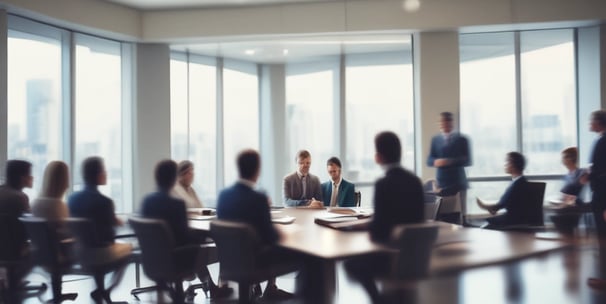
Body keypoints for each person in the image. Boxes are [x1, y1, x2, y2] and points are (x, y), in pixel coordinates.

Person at [344, 131, 424, 303]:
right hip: (415, 255)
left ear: (378, 157)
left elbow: (379, 230)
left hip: (391, 256)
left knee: (351, 263)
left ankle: (377, 299)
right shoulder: (415, 181)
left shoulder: (383, 184)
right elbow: (416, 219)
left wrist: (361, 227)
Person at [141, 159, 231, 299]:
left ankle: (210, 286)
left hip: (151, 259)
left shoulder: (147, 201)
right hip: (174, 258)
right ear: (174, 177)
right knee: (201, 248)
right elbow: (184, 236)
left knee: (196, 247)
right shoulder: (176, 204)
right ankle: (213, 286)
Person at [217, 149, 300, 301]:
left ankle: (270, 289)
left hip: (230, 262)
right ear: (257, 170)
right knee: (308, 256)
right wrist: (284, 233)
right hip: (255, 263)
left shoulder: (223, 195)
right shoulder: (258, 198)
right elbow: (271, 237)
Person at [67, 156, 131, 302]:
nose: (106, 174)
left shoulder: (72, 199)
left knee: (99, 246)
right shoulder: (105, 202)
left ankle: (100, 291)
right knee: (128, 249)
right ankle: (106, 290)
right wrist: (116, 223)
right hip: (98, 254)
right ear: (99, 174)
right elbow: (108, 237)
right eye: (104, 170)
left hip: (77, 252)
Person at [427, 111, 472, 223]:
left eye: (447, 122)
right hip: (442, 181)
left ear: (452, 123)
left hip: (458, 180)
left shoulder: (462, 139)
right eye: (442, 122)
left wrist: (449, 161)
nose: (444, 124)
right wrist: (436, 162)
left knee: (462, 215)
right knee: (442, 214)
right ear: (439, 124)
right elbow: (429, 160)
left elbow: (468, 160)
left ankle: (464, 222)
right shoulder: (435, 140)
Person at [0, 160, 34, 302]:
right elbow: (28, 230)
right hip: (13, 251)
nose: (32, 178)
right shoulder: (20, 198)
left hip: (3, 248)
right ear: (22, 178)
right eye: (30, 175)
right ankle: (15, 280)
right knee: (44, 249)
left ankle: (11, 279)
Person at [476, 152, 538, 229]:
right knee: (485, 222)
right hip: (516, 217)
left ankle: (492, 208)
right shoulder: (518, 182)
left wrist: (493, 207)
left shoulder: (518, 184)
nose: (505, 164)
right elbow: (507, 201)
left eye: (507, 161)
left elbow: (503, 202)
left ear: (514, 165)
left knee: (484, 226)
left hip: (516, 219)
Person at [586, 110, 606, 290]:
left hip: (602, 196)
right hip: (600, 193)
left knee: (603, 235)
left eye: (591, 120)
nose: (588, 123)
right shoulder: (601, 140)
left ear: (599, 122)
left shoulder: (602, 141)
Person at [31, 161, 71, 240]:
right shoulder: (58, 206)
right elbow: (62, 235)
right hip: (59, 250)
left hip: (38, 250)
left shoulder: (34, 203)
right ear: (64, 181)